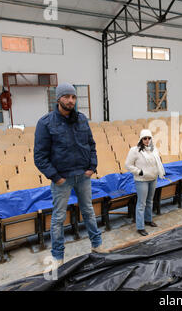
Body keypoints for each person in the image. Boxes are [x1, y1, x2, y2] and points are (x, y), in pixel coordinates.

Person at [34, 83, 107, 267]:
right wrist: (56, 177)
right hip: (62, 179)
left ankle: (97, 246)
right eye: (66, 97)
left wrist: (92, 167)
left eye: (73, 97)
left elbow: (91, 145)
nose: (70, 100)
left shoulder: (82, 119)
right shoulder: (45, 123)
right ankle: (58, 257)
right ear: (58, 99)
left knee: (89, 212)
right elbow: (40, 157)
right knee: (58, 218)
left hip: (83, 175)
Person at [125, 129, 165, 236]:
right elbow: (128, 165)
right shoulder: (135, 150)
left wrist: (158, 172)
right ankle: (140, 226)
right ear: (141, 139)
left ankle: (148, 220)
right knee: (141, 203)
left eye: (149, 138)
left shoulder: (154, 149)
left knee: (150, 201)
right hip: (141, 180)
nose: (147, 140)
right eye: (145, 138)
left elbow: (158, 162)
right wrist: (139, 172)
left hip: (153, 178)